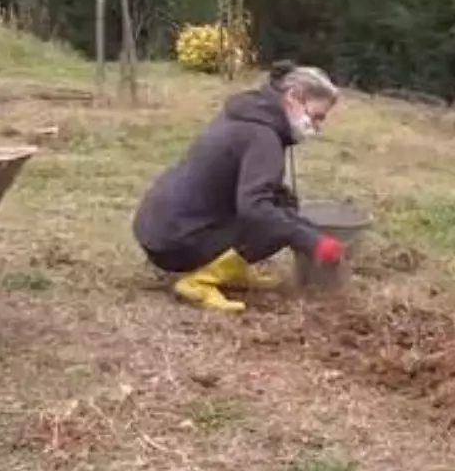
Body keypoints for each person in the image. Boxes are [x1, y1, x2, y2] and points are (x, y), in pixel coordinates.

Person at [132, 62, 346, 313]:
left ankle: (230, 269)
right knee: (274, 219)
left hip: (161, 227)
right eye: (316, 116)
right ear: (293, 97)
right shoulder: (263, 138)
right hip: (174, 243)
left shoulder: (247, 114)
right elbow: (256, 208)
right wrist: (313, 240)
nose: (317, 126)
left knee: (283, 202)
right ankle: (199, 282)